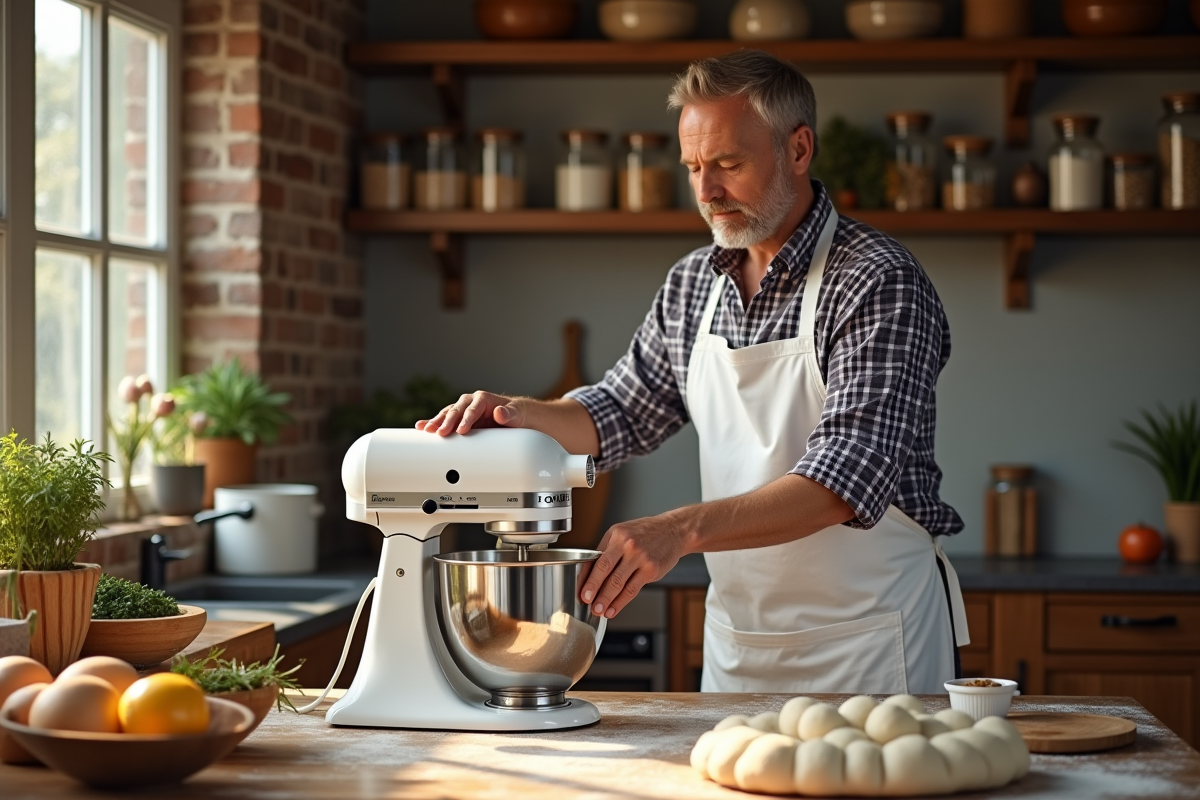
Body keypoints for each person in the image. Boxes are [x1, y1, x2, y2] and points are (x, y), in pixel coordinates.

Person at [417, 50, 969, 694]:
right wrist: (516, 414)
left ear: (798, 149)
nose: (706, 193)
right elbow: (620, 412)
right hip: (740, 649)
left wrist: (679, 530)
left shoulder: (877, 280)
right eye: (693, 168)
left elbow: (843, 481)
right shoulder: (693, 283)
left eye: (729, 165)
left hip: (873, 646)